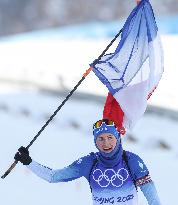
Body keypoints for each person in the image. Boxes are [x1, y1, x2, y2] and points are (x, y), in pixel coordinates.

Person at [15, 119, 161, 205]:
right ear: (95, 141)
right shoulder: (88, 163)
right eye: (101, 138)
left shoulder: (132, 161)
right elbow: (53, 177)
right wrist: (28, 162)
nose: (106, 143)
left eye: (110, 137)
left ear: (117, 137)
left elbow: (154, 201)